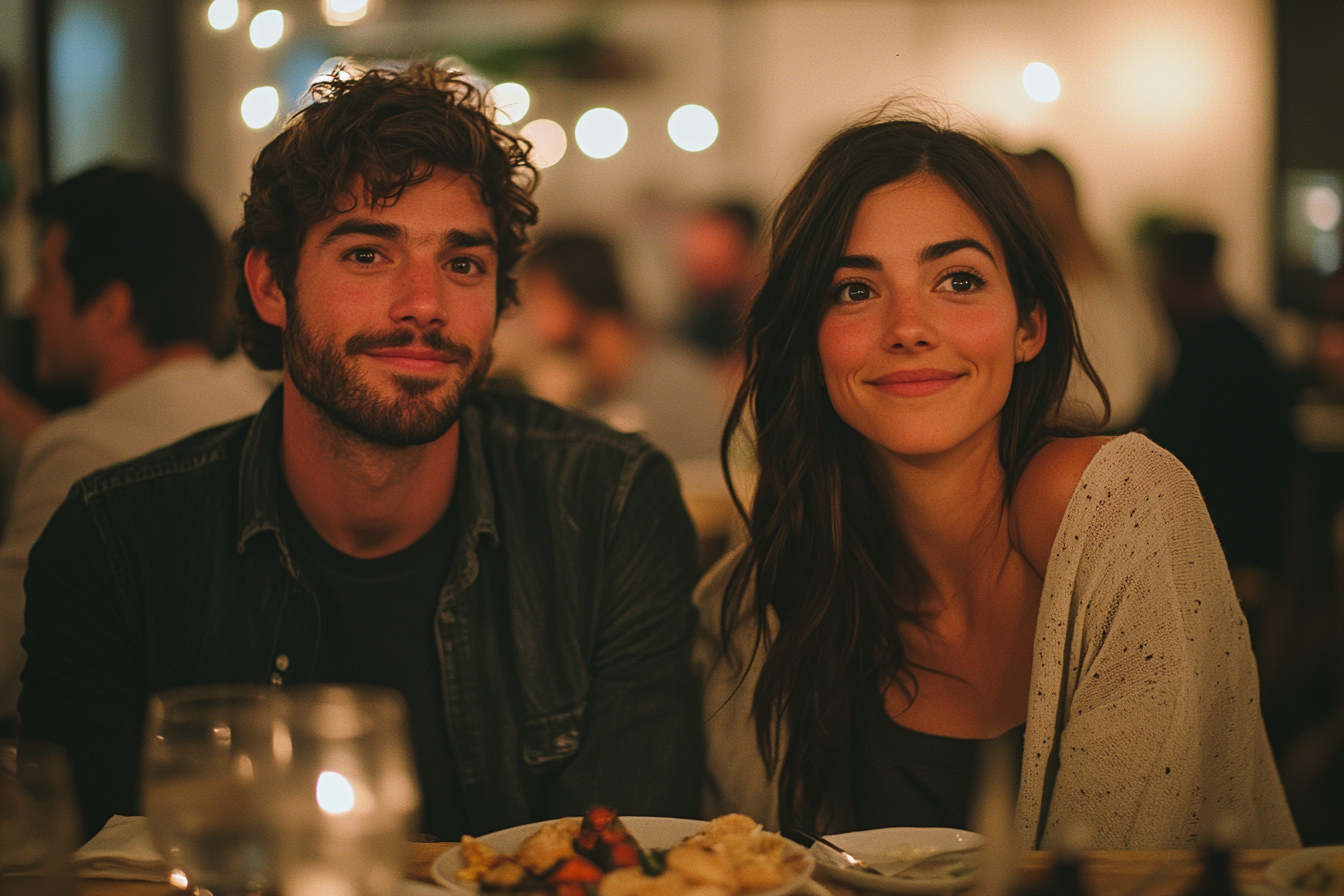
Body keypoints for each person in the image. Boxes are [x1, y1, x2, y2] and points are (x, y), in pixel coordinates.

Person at [18, 64, 703, 842]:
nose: (424, 304)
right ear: (271, 286)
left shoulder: (608, 504)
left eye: (463, 263)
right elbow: (80, 864)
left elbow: (633, 857)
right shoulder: (117, 542)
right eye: (368, 254)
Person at [693, 116, 1298, 849]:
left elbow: (1122, 874)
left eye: (959, 280)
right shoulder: (762, 600)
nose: (908, 326)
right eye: (854, 289)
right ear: (807, 337)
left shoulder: (1122, 508)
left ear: (1030, 326)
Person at [0, 166, 273, 727]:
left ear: (110, 308)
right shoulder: (250, 401)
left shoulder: (79, 450)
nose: (30, 301)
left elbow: (6, 661)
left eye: (47, 280)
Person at [1144, 228, 1297, 600]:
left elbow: (1177, 448)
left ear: (1181, 278)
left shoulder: (1213, 350)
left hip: (1225, 551)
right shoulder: (1242, 340)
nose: (1158, 295)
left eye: (1162, 280)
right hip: (1245, 544)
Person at [517, 232, 728, 464]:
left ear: (576, 292)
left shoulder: (675, 379)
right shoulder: (585, 385)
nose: (528, 312)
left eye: (539, 295)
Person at [1005, 148, 1174, 430]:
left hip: (1105, 425)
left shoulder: (1112, 264)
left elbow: (1156, 348)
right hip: (1086, 426)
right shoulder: (1108, 263)